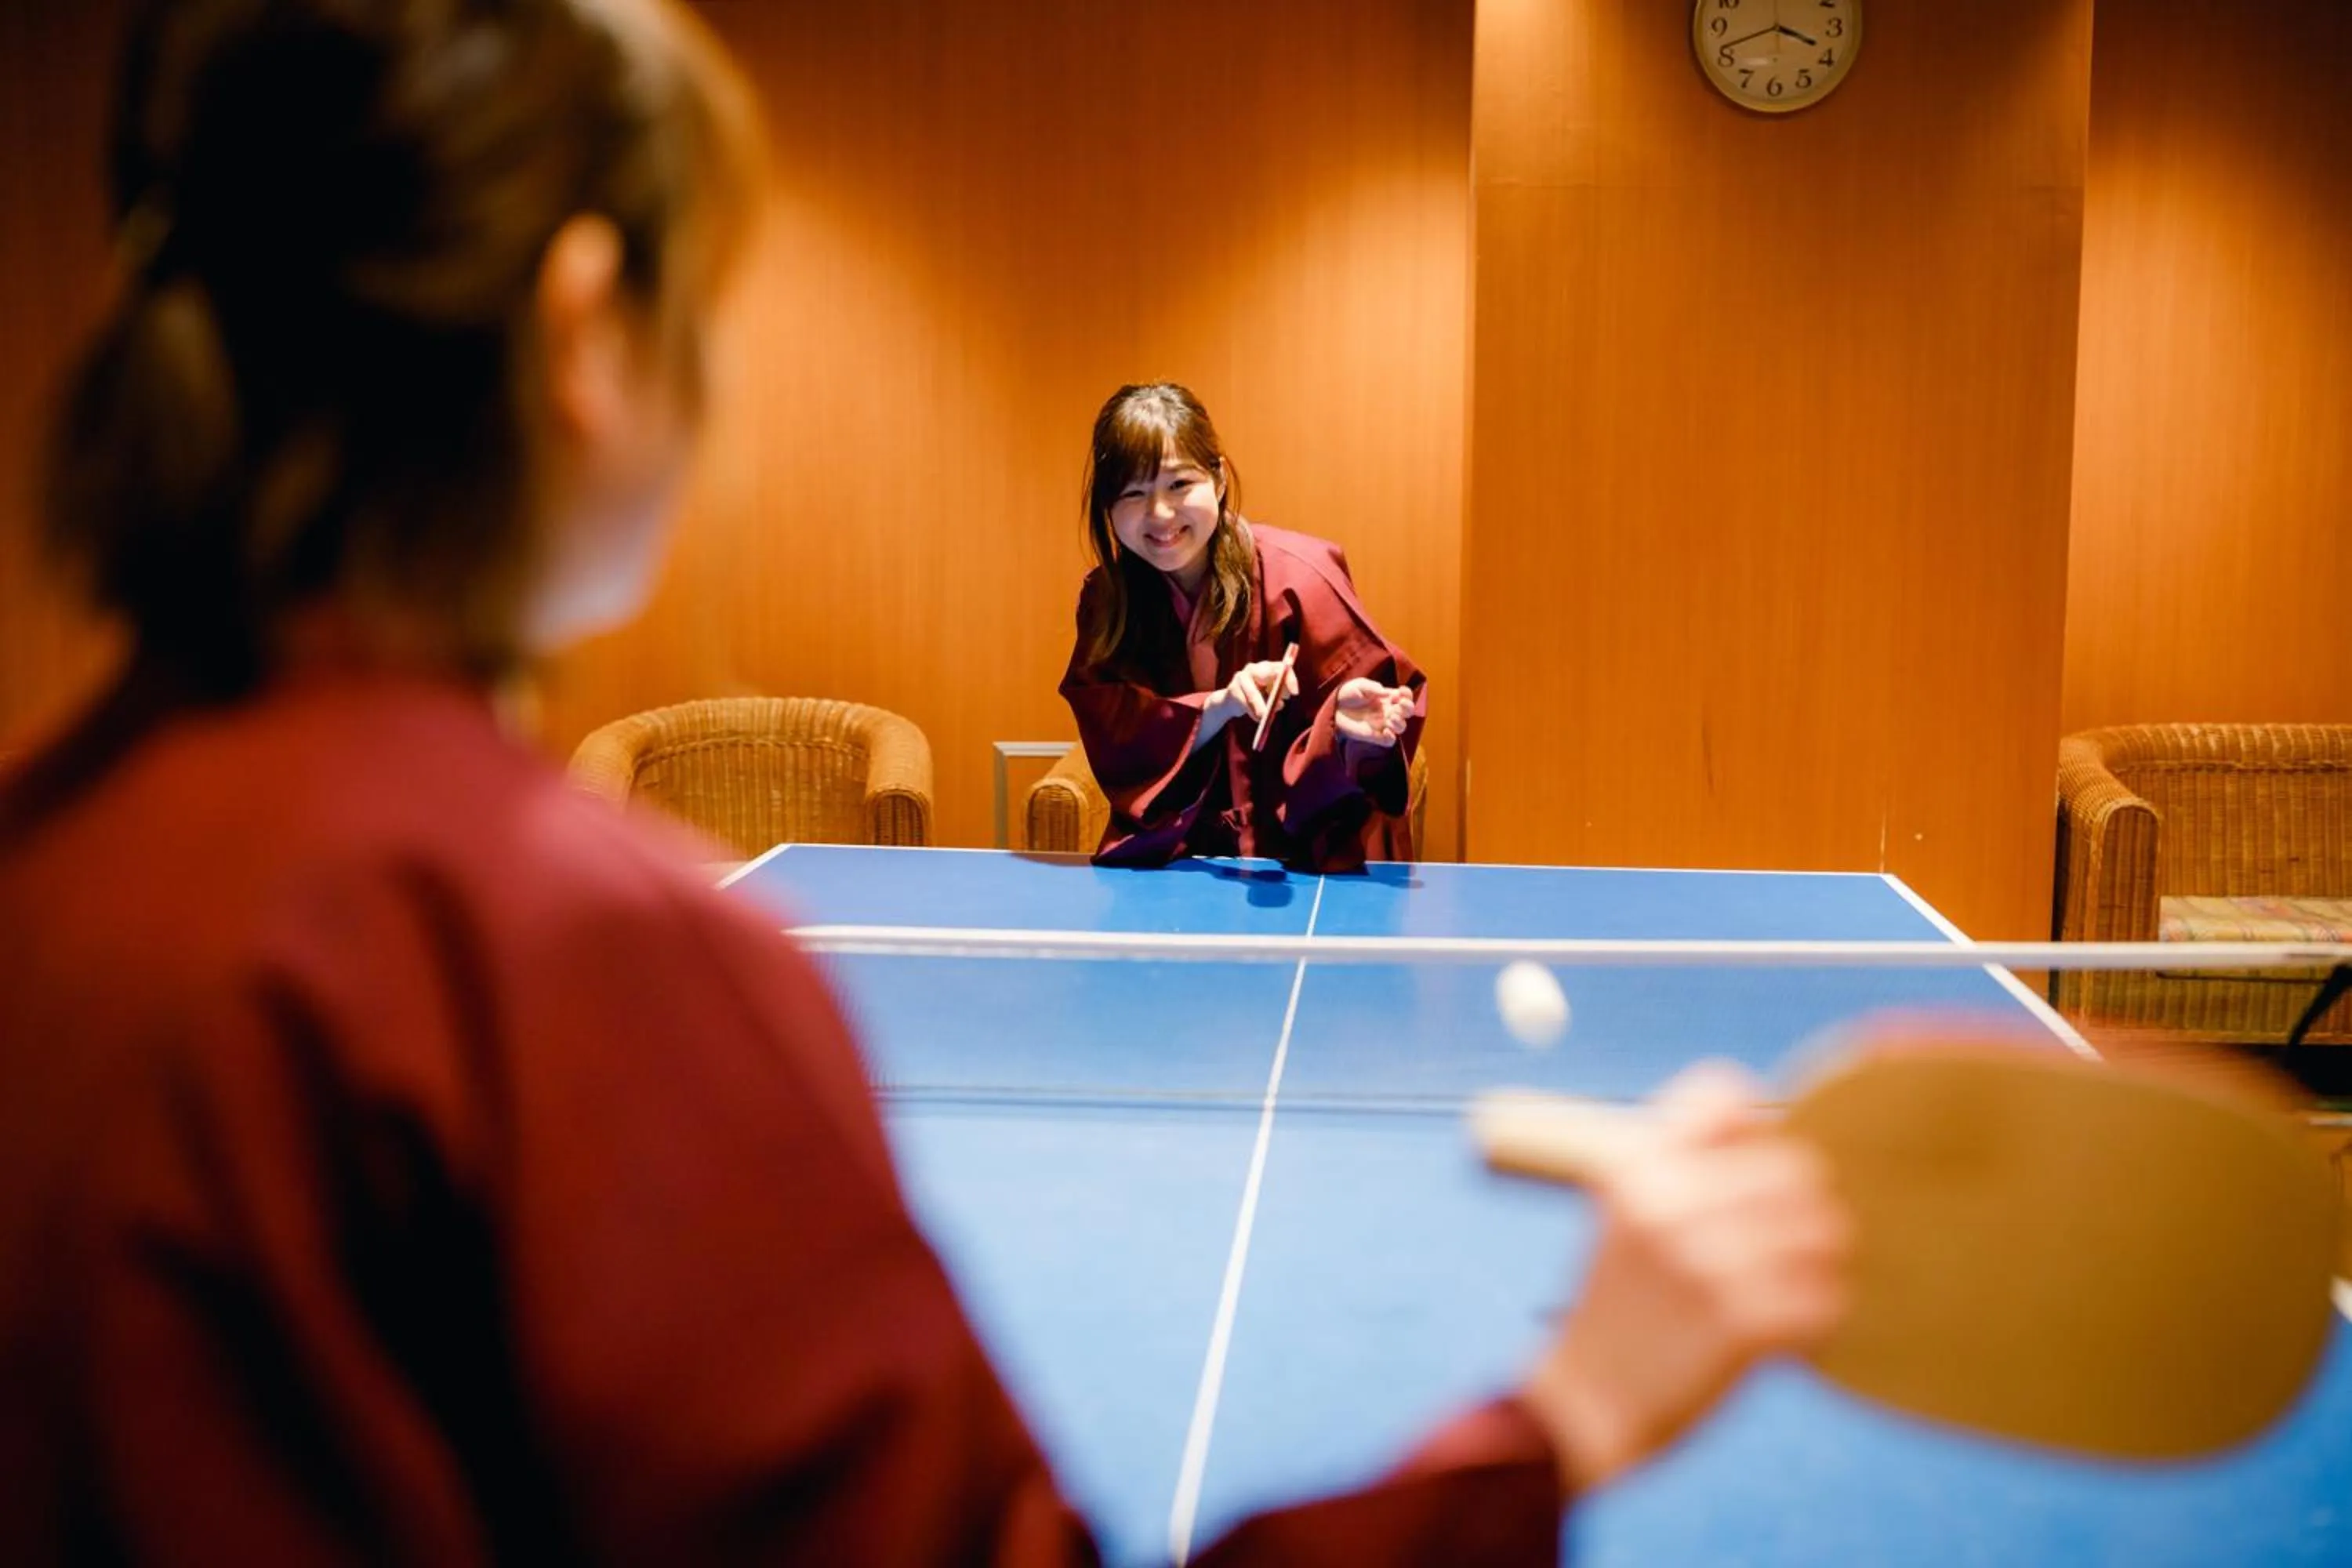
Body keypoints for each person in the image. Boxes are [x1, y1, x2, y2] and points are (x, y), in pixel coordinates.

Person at [0, 2, 1851, 1563]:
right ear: (583, 334)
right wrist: (1572, 1408)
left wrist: (1348, 729)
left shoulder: (44, 867)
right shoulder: (581, 960)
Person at [1058, 383, 1424, 872]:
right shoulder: (1108, 599)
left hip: (1308, 857)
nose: (1160, 513)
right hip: (1178, 859)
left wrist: (1342, 731)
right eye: (1134, 492)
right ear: (1108, 505)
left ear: (1219, 478)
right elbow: (1115, 731)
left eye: (1179, 484)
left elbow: (1382, 724)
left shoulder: (1303, 576)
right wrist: (1216, 707)